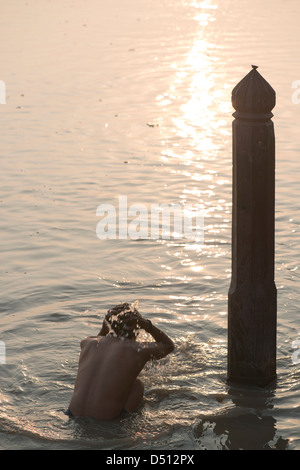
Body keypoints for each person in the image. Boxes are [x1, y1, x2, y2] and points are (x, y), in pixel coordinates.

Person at [66, 303, 174, 420]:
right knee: (137, 385)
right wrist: (147, 325)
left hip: (72, 413)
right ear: (137, 328)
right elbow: (168, 345)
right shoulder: (137, 349)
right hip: (107, 419)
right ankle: (126, 420)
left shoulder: (87, 343)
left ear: (108, 325)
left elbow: (100, 338)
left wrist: (105, 326)